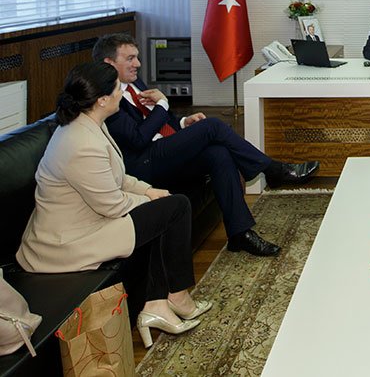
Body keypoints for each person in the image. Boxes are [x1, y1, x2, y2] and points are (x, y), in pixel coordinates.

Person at [17, 62, 211, 348]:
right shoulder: (80, 143)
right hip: (69, 240)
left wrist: (149, 190)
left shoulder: (89, 125)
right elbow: (111, 205)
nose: (122, 93)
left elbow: (118, 178)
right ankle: (171, 299)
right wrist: (150, 199)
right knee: (175, 208)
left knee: (170, 206)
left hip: (90, 221)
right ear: (102, 100)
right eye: (118, 88)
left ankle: (161, 302)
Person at [93, 33, 320, 257]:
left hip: (163, 150)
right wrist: (162, 104)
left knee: (218, 153)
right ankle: (272, 169)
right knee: (212, 126)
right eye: (130, 58)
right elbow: (138, 139)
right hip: (145, 163)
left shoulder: (133, 83)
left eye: (137, 57)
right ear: (109, 63)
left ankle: (240, 233)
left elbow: (159, 119)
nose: (138, 64)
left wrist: (183, 122)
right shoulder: (105, 98)